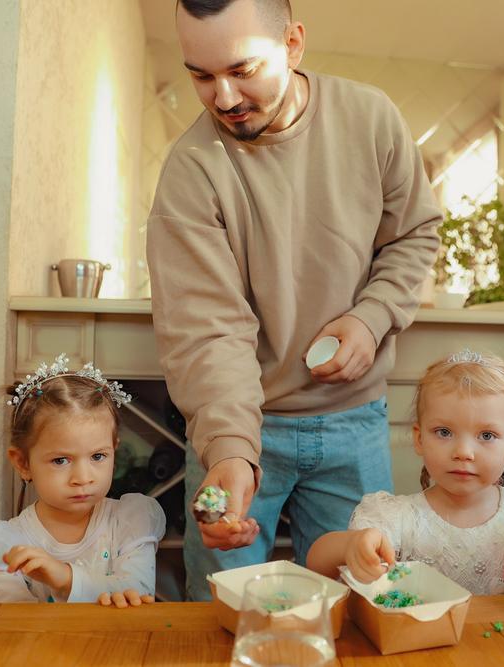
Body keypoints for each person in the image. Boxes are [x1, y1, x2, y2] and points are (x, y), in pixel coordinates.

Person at [146, 0, 441, 600]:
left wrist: (372, 315)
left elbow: (414, 234)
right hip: (238, 430)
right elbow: (208, 331)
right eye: (200, 75)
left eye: (243, 69)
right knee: (220, 615)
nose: (224, 97)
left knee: (364, 605)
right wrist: (228, 453)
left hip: (357, 423)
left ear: (294, 44)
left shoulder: (371, 117)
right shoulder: (191, 169)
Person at [306, 350, 504, 594]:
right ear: (419, 438)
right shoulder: (396, 518)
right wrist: (351, 546)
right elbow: (316, 560)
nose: (463, 452)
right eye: (444, 432)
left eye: (486, 436)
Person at [0, 354, 165, 606]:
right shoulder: (6, 546)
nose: (83, 478)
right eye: (61, 460)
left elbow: (138, 591)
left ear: (114, 449)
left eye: (98, 456)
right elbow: (9, 627)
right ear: (23, 463)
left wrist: (66, 579)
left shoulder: (130, 522)